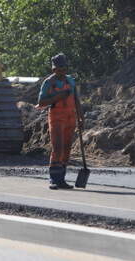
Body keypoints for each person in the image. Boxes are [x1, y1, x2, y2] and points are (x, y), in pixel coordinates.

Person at [37, 53, 84, 190]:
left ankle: (61, 179)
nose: (62, 72)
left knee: (66, 149)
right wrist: (58, 96)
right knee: (57, 148)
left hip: (70, 117)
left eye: (64, 69)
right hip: (56, 117)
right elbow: (41, 102)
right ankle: (53, 179)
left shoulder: (70, 81)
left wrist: (81, 118)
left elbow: (76, 100)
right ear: (53, 69)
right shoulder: (48, 83)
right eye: (59, 69)